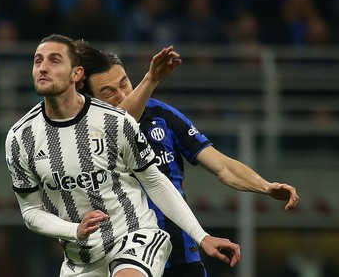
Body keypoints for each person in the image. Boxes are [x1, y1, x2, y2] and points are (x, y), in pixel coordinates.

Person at [5, 34, 240, 277]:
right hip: (82, 260)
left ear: (76, 74)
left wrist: (201, 236)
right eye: (38, 61)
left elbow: (155, 180)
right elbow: (31, 212)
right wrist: (74, 231)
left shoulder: (115, 121)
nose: (43, 67)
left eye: (54, 61)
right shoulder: (20, 138)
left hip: (134, 238)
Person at [75, 41, 300, 277]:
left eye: (124, 83)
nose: (122, 94)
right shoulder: (85, 133)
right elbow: (120, 127)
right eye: (109, 92)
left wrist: (265, 186)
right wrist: (151, 80)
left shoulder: (162, 115)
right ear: (88, 99)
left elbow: (222, 166)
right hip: (120, 259)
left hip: (180, 256)